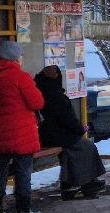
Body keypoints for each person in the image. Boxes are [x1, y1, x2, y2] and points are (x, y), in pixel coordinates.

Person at [34, 65, 106, 200]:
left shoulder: (42, 89)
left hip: (50, 134)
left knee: (74, 149)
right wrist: (80, 129)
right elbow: (67, 118)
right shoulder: (54, 95)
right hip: (55, 136)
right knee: (86, 146)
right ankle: (87, 181)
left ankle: (75, 182)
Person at [0, 41, 44, 213]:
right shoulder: (20, 77)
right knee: (23, 174)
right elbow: (37, 102)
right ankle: (23, 211)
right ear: (13, 57)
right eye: (20, 55)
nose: (22, 58)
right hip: (22, 135)